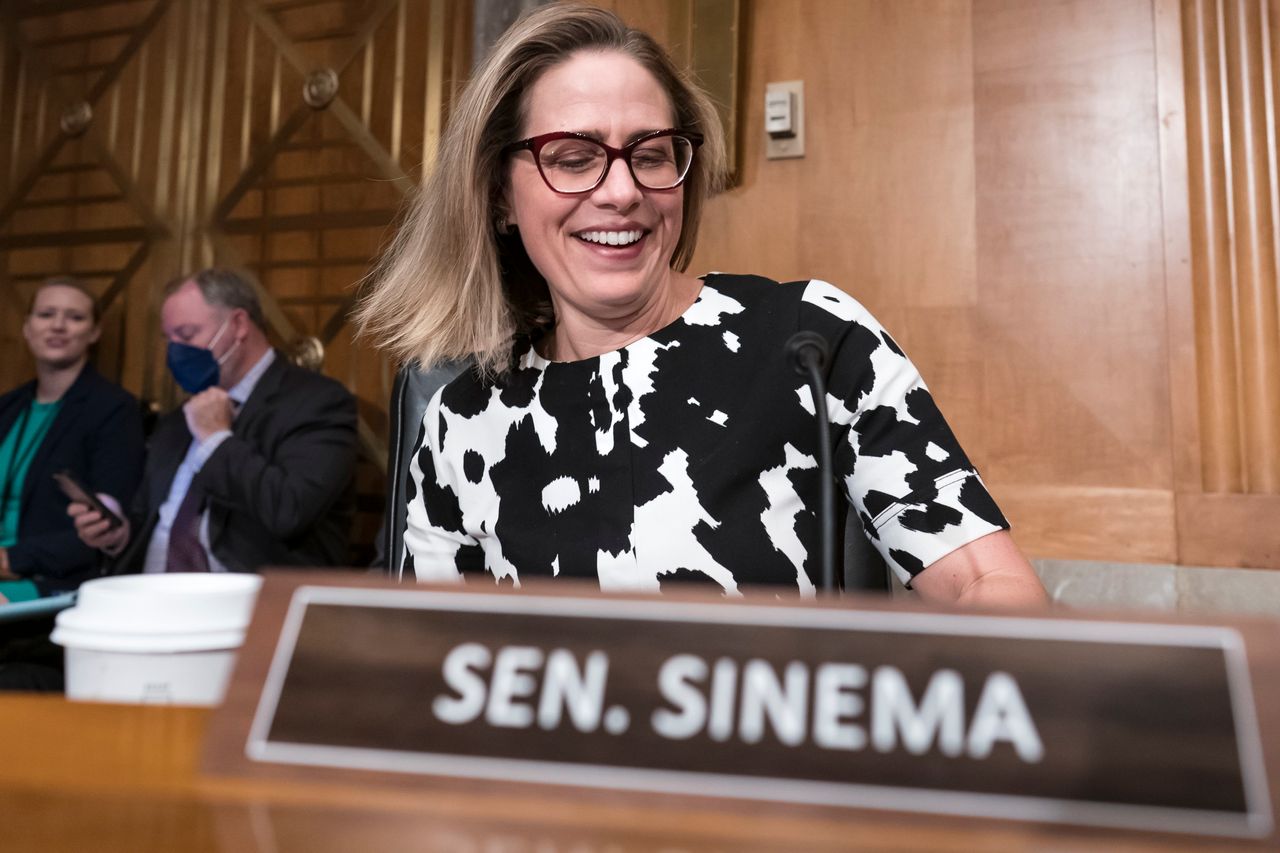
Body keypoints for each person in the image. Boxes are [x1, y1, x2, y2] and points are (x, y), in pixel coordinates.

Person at [355, 4, 1048, 607]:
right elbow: (427, 667)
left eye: (652, 154)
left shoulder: (809, 340)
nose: (622, 191)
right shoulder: (460, 421)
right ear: (500, 195)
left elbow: (986, 581)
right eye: (572, 158)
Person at [71, 268, 359, 574]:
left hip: (249, 594)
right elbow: (149, 517)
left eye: (186, 335)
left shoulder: (317, 403)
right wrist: (117, 534)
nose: (175, 351)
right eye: (169, 339)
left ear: (238, 325)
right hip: (150, 591)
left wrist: (217, 441)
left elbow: (289, 512)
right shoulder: (178, 419)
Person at [0, 277, 144, 601]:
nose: (58, 325)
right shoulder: (7, 408)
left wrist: (11, 559)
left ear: (94, 332)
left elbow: (107, 525)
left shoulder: (113, 410)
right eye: (46, 314)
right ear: (27, 327)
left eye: (75, 317)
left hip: (53, 579)